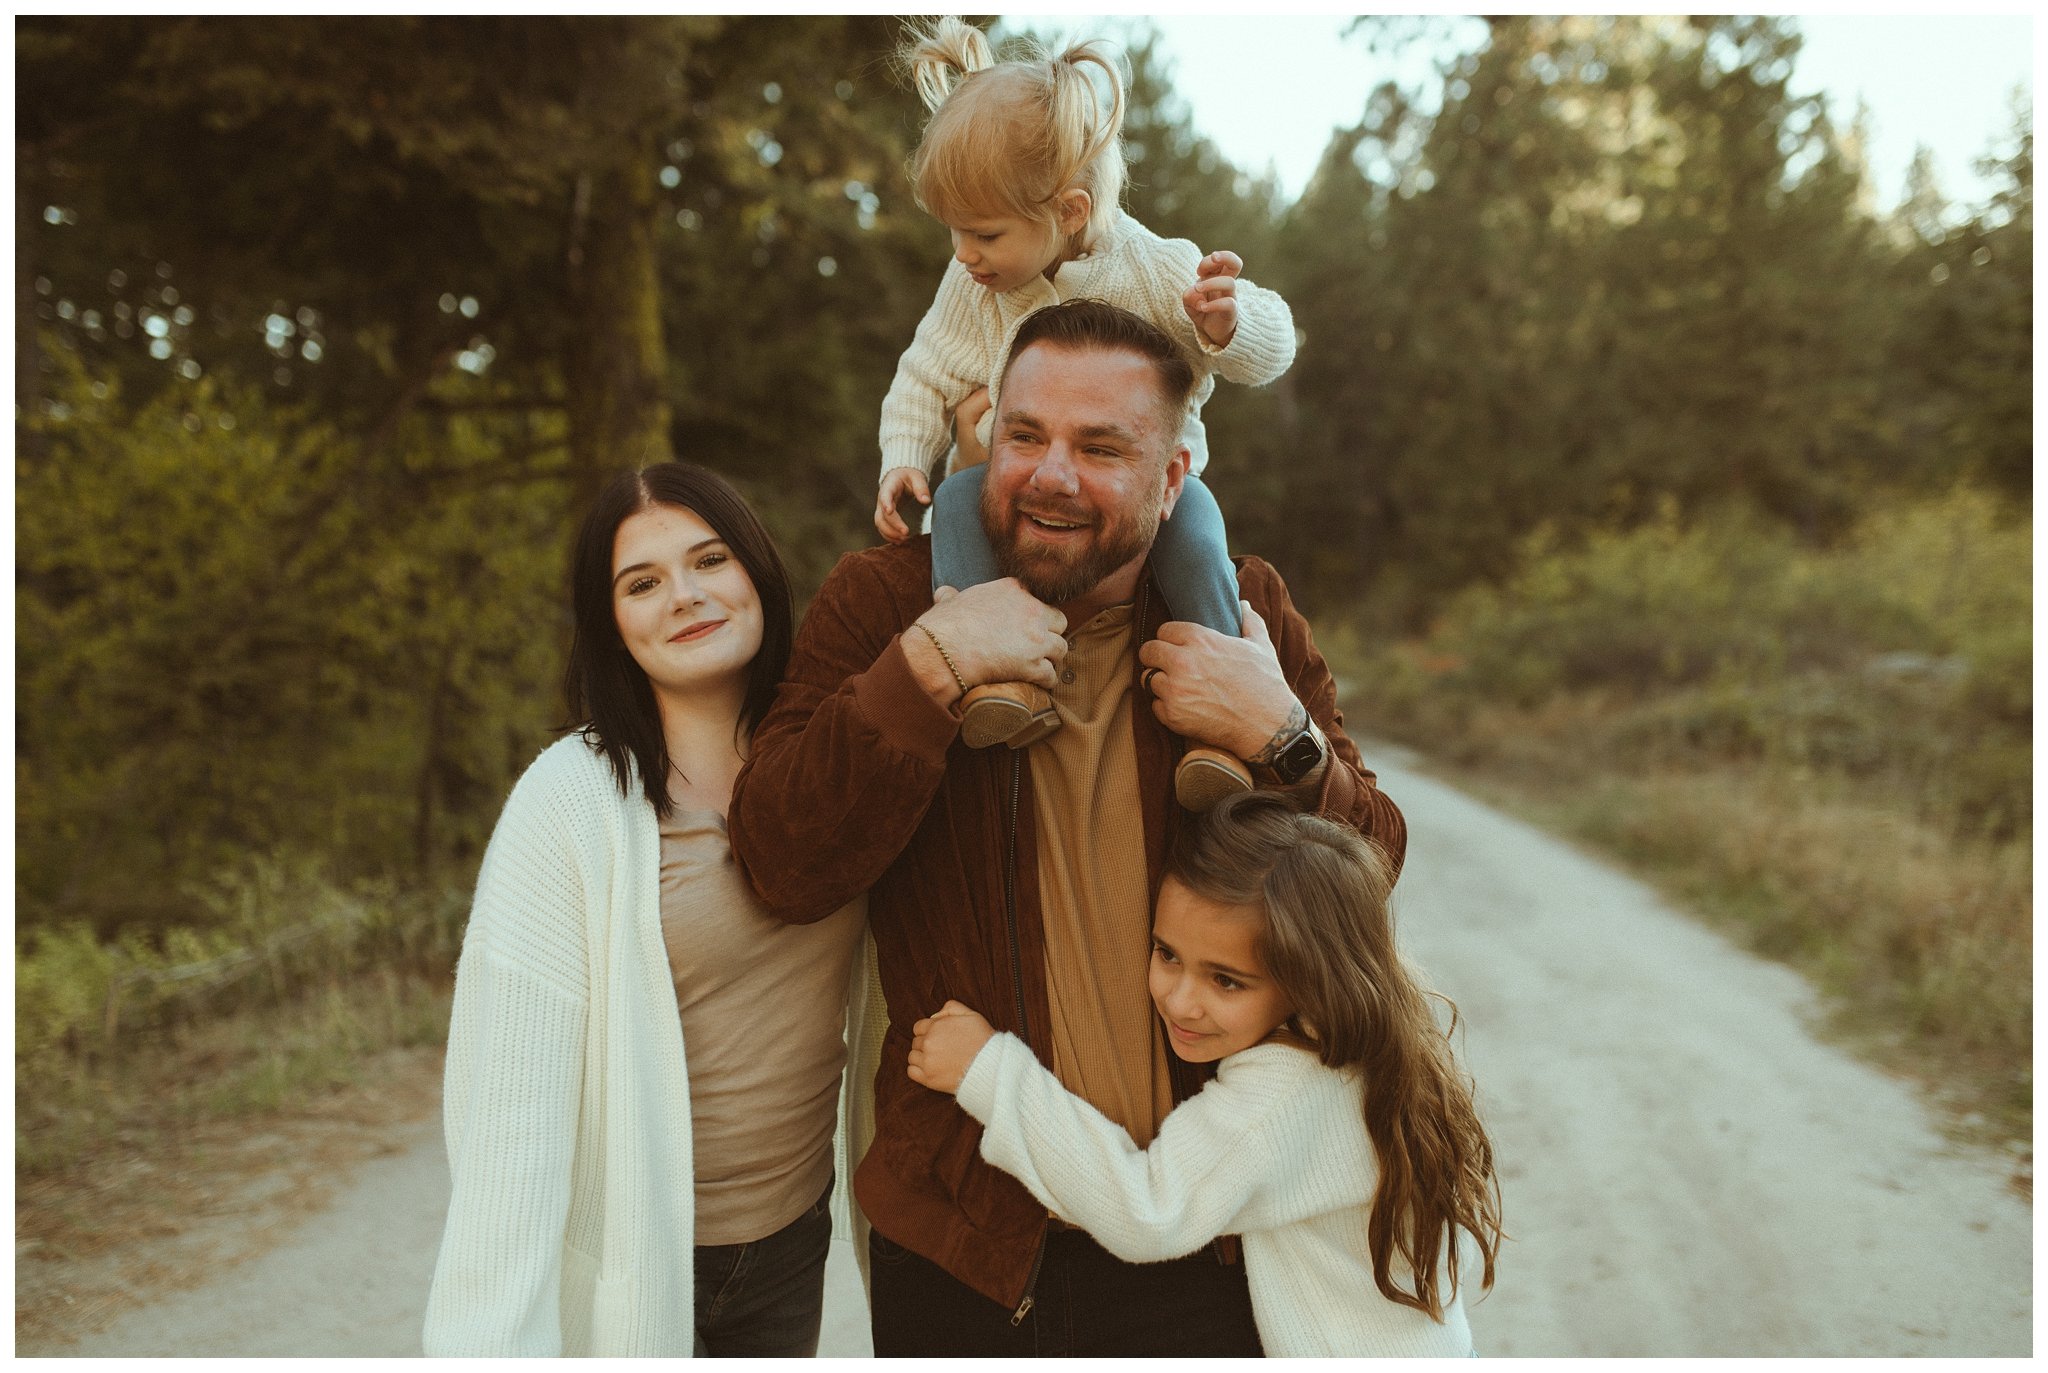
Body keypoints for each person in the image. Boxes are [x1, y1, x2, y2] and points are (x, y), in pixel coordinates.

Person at [729, 299, 1407, 1356]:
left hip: (1210, 1239)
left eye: (1100, 447)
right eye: (1024, 434)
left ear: (1176, 475)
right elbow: (781, 859)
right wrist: (928, 669)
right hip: (965, 1232)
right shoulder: (882, 603)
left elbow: (1368, 872)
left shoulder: (1243, 611)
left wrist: (1284, 739)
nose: (1049, 474)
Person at [422, 463, 866, 1357]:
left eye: (710, 560)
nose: (686, 596)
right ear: (611, 624)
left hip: (791, 1234)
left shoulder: (830, 756)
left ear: (758, 574)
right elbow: (507, 1113)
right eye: (644, 582)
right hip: (643, 1251)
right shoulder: (568, 806)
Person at [870, 16, 1298, 808]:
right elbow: (925, 371)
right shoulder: (975, 284)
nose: (964, 253)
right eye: (956, 232)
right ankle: (1003, 679)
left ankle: (1215, 731)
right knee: (960, 503)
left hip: (1155, 501)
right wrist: (905, 454)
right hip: (1016, 492)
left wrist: (1230, 322)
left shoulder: (1157, 269)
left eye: (985, 232)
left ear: (1068, 210)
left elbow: (1273, 343)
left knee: (1199, 541)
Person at [906, 789, 1502, 1357]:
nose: (1180, 1000)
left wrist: (988, 1071)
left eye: (1225, 980)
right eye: (1167, 954)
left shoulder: (1285, 1089)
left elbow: (1147, 1210)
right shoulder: (1384, 1049)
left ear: (1307, 976)